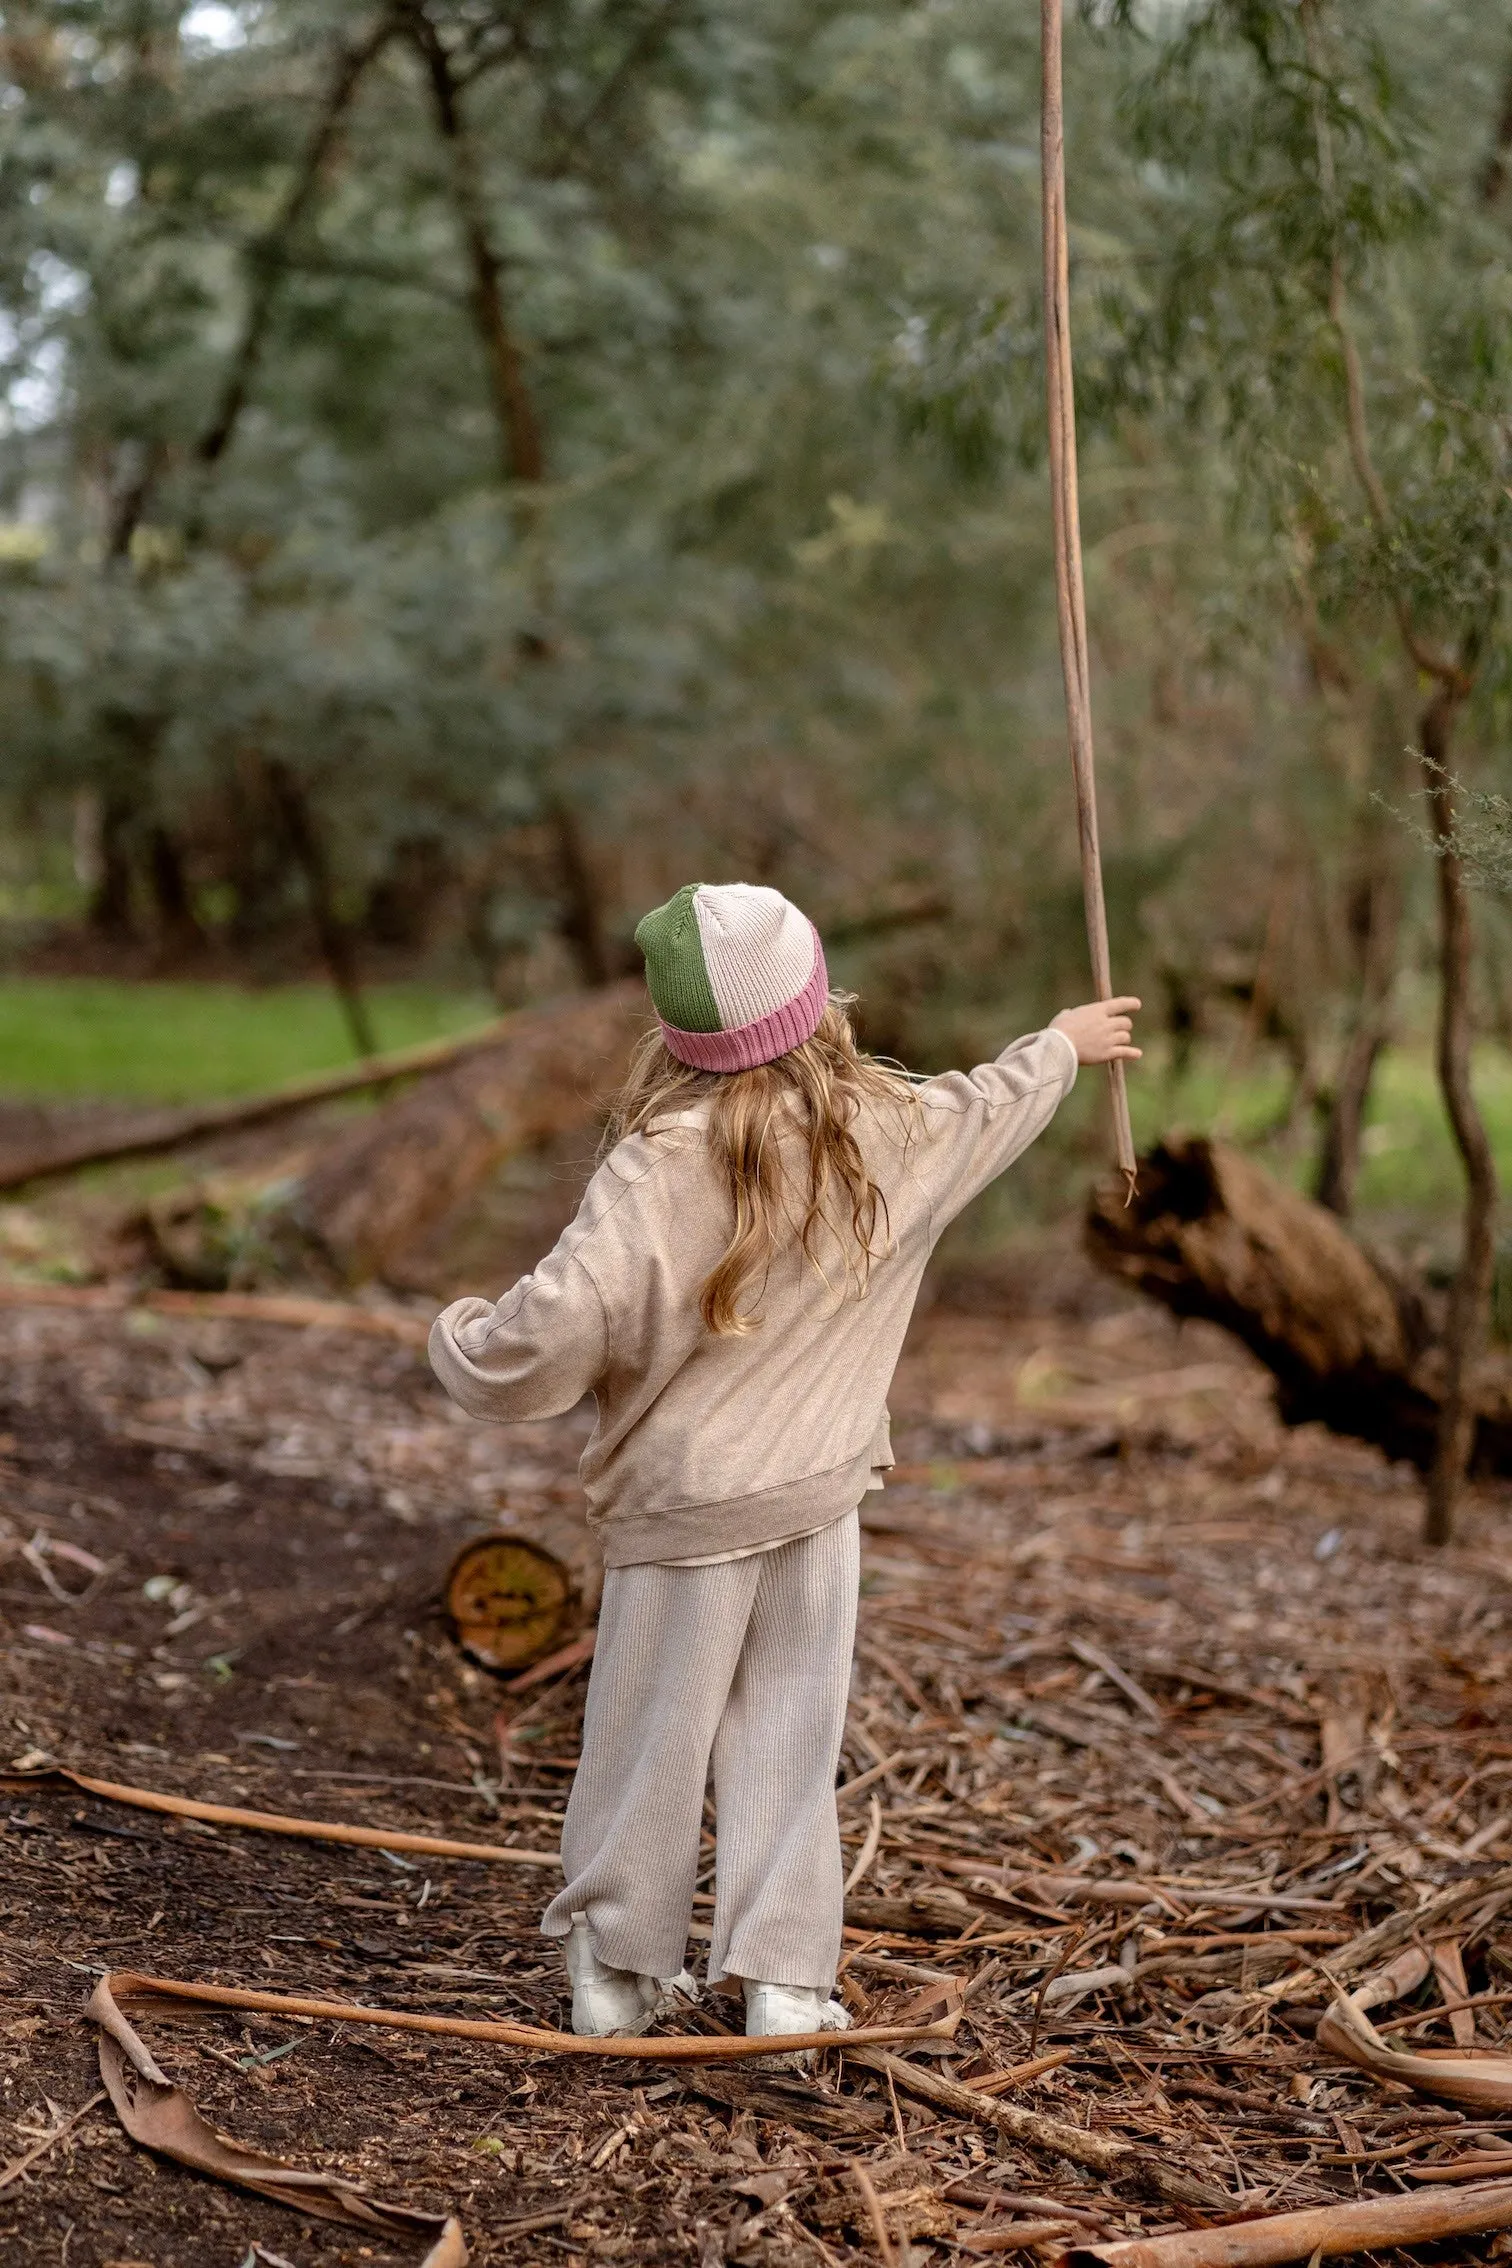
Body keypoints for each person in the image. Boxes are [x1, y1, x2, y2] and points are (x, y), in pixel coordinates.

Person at [429, 882, 1139, 2039]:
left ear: (676, 1037)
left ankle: (615, 1972)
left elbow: (545, 1336)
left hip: (681, 1520)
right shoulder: (892, 1132)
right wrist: (1061, 1046)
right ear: (819, 1001)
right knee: (789, 1737)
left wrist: (461, 1342)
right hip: (816, 1505)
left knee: (649, 1746)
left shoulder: (657, 1168)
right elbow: (989, 1106)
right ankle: (786, 1983)